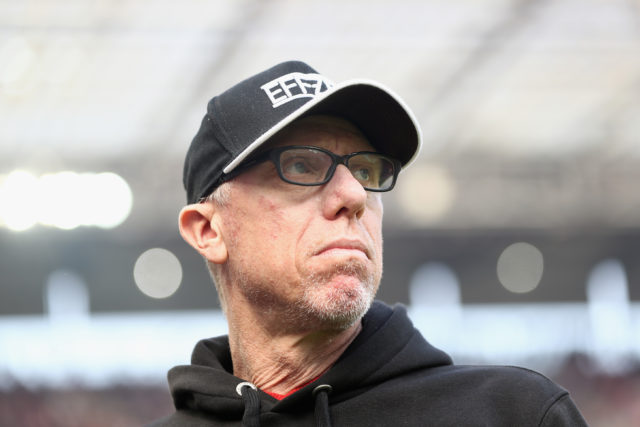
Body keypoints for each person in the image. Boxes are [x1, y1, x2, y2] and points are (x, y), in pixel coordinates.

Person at [149, 61, 587, 426]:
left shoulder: (515, 414)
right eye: (301, 165)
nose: (355, 196)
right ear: (209, 231)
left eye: (365, 170)